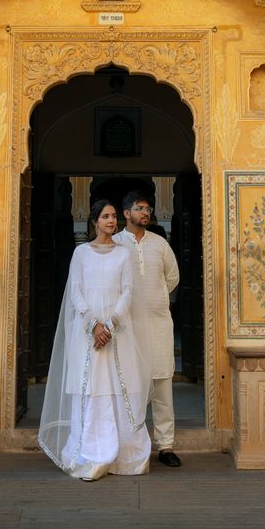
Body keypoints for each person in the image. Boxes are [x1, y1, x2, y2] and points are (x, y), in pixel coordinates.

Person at [39, 199, 151, 481]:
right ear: (94, 221)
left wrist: (109, 325)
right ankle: (90, 454)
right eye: (105, 217)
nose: (111, 221)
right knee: (90, 389)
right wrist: (94, 325)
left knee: (116, 388)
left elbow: (127, 291)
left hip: (117, 333)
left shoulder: (123, 254)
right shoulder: (81, 253)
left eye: (113, 216)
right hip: (87, 334)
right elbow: (76, 291)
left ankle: (123, 456)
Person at [115, 190, 182, 467]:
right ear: (126, 213)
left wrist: (154, 298)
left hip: (159, 323)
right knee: (131, 385)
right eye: (139, 208)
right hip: (127, 328)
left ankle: (166, 446)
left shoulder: (159, 244)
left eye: (148, 209)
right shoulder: (116, 244)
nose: (146, 212)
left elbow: (173, 276)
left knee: (163, 385)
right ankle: (133, 445)